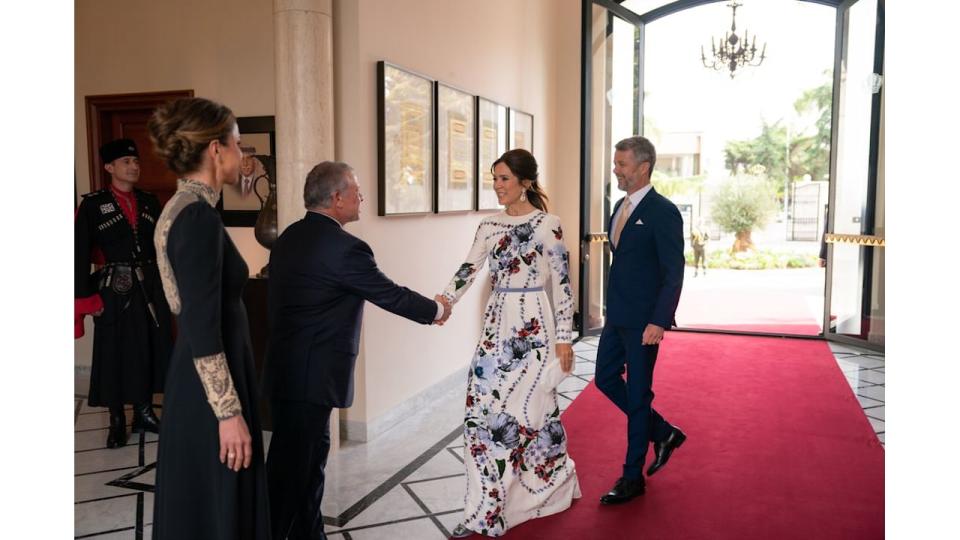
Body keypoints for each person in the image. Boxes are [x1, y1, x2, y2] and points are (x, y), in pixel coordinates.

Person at [263, 161, 451, 540]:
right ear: (336, 198)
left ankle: (308, 533)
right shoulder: (345, 249)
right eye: (356, 191)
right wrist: (436, 310)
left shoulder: (289, 236)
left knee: (304, 462)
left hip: (285, 369)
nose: (361, 198)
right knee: (292, 472)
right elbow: (390, 294)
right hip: (312, 375)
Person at [440, 149, 581, 538]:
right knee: (482, 412)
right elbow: (468, 269)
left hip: (535, 325)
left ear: (525, 182)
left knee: (533, 412)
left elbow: (563, 283)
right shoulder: (488, 226)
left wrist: (565, 339)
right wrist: (443, 301)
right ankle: (482, 507)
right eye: (494, 178)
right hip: (497, 324)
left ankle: (543, 490)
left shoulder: (547, 224)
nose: (498, 186)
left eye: (504, 178)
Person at [148, 97, 270, 539]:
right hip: (211, 390)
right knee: (215, 505)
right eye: (238, 144)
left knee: (210, 503)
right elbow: (199, 323)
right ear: (216, 150)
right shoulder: (195, 216)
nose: (244, 156)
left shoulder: (186, 207)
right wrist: (227, 414)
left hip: (200, 376)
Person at [595, 136, 686, 505]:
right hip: (617, 316)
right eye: (616, 163)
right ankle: (663, 431)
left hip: (644, 324)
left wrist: (659, 321)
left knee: (637, 396)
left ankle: (632, 477)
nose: (616, 170)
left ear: (643, 167)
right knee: (604, 378)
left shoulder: (663, 211)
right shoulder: (619, 205)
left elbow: (673, 271)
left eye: (622, 164)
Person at [74, 138, 172, 448]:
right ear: (109, 167)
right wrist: (86, 300)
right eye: (126, 162)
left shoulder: (149, 201)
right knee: (114, 354)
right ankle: (117, 419)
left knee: (147, 348)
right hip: (114, 289)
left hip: (149, 285)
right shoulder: (92, 205)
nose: (134, 166)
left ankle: (143, 412)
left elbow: (162, 246)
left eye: (136, 162)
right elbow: (76, 255)